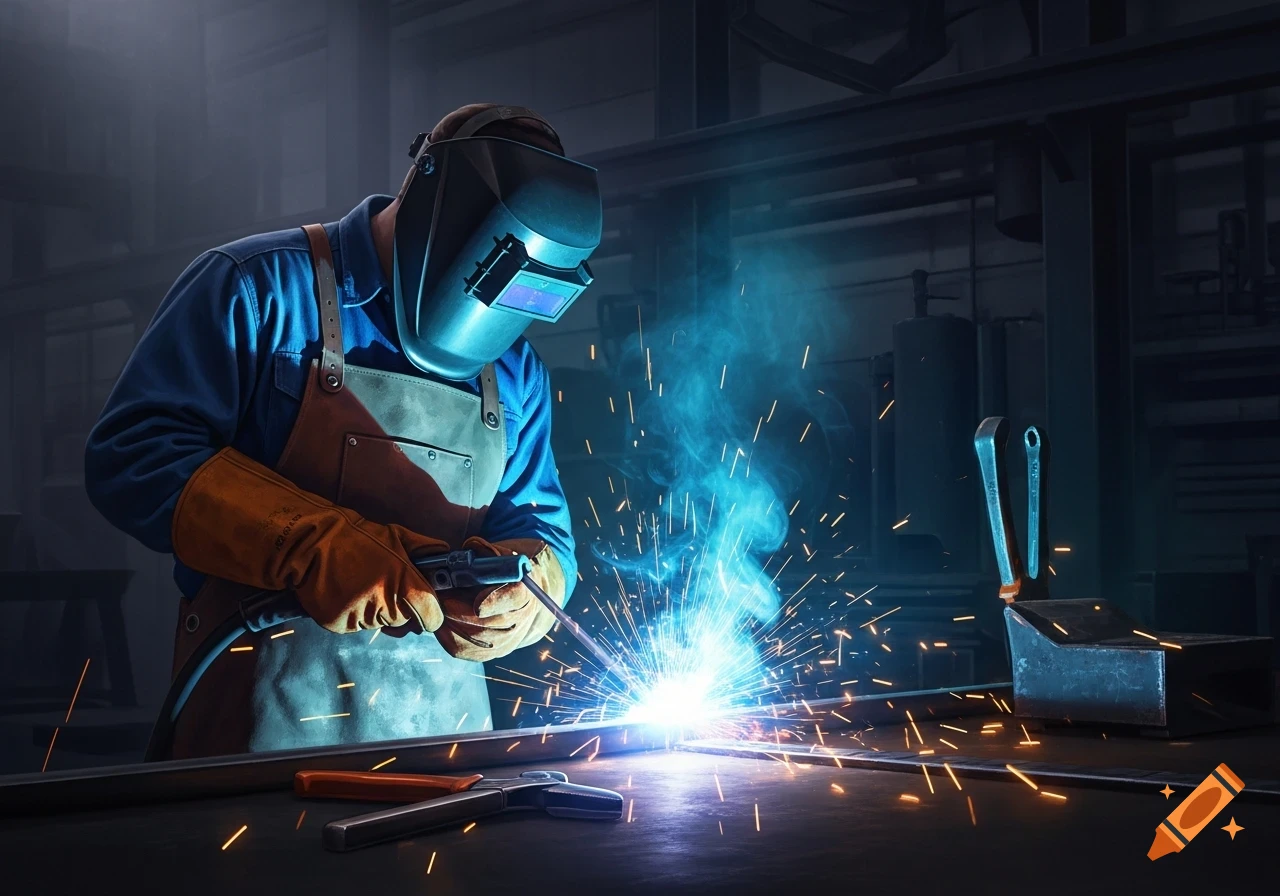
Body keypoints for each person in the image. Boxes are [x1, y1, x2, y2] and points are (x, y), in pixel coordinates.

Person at [85, 104, 601, 759]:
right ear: (439, 206)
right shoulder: (260, 289)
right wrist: (309, 543)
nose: (496, 317)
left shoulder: (514, 367)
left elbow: (542, 528)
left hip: (446, 746)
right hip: (261, 739)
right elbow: (131, 454)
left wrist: (533, 590)